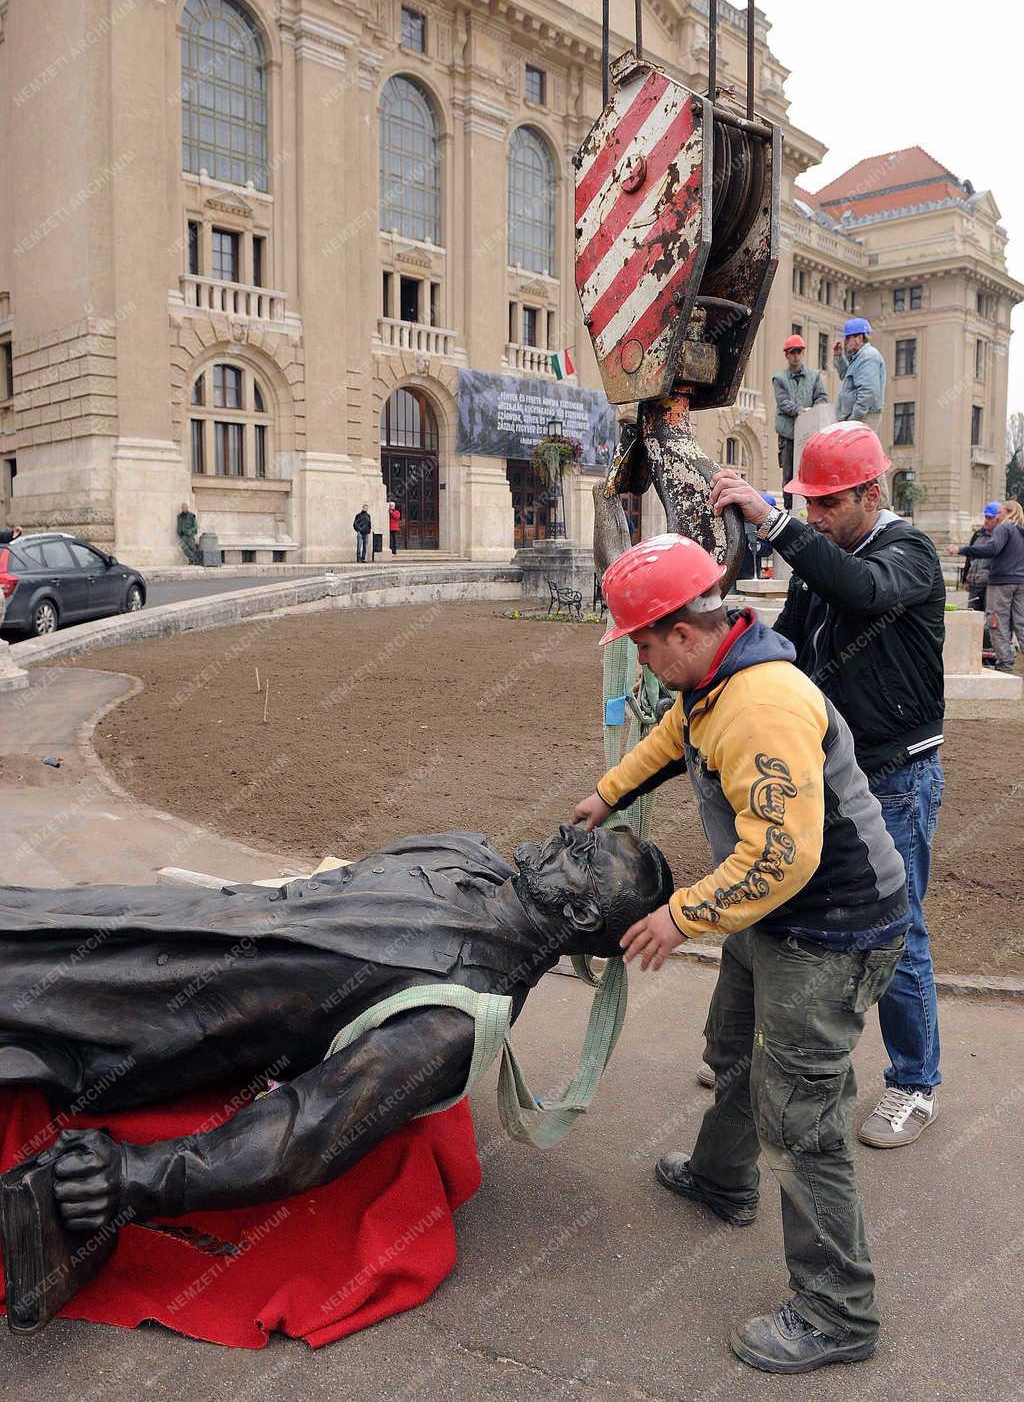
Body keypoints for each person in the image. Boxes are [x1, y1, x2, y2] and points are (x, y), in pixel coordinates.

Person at [0, 824, 671, 1324]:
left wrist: (134, 1177)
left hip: (151, 1011)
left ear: (581, 915)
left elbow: (305, 1131)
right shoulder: (463, 852)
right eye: (583, 836)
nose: (564, 833)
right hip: (183, 918)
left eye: (582, 856)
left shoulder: (453, 1015)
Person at [572, 534, 908, 1375]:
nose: (642, 660)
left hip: (831, 928)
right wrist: (609, 792)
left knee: (802, 1122)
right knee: (731, 1052)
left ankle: (840, 1312)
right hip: (778, 919)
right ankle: (723, 1181)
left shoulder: (760, 703)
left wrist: (678, 917)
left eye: (644, 644)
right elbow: (678, 735)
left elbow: (779, 858)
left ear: (685, 631)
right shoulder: (715, 678)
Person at [712, 421, 946, 1151]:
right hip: (830, 776)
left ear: (871, 494)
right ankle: (792, 1054)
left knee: (897, 933)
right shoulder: (825, 556)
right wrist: (719, 654)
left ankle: (915, 1084)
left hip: (896, 776)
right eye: (804, 504)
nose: (814, 517)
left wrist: (775, 524)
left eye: (827, 504)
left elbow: (865, 593)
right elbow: (785, 644)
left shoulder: (906, 553)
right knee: (793, 908)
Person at [950, 498, 1024, 673]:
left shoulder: (1004, 528)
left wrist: (962, 550)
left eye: (1000, 512)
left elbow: (991, 549)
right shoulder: (1021, 531)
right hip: (1021, 582)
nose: (997, 516)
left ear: (1008, 512)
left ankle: (1005, 664)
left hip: (1001, 583)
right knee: (1021, 623)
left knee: (997, 622)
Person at [772, 334, 826, 507]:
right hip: (788, 434)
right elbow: (783, 403)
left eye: (798, 352)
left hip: (809, 435)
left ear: (802, 354)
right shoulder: (779, 379)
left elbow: (821, 397)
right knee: (788, 475)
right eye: (792, 352)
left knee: (810, 472)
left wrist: (814, 412)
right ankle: (789, 509)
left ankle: (810, 506)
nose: (796, 355)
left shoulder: (814, 376)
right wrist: (800, 411)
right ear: (786, 355)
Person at [832, 318, 885, 433]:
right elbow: (846, 376)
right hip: (858, 417)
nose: (845, 341)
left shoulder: (868, 357)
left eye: (848, 337)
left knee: (858, 451)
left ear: (859, 338)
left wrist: (854, 417)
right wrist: (839, 357)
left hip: (864, 417)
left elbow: (867, 392)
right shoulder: (859, 357)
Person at [959, 502, 1000, 611]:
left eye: (990, 518)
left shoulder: (1000, 536)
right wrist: (965, 580)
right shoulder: (978, 534)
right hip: (974, 584)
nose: (986, 521)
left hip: (990, 585)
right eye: (986, 517)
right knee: (972, 615)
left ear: (998, 519)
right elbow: (970, 557)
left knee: (989, 618)